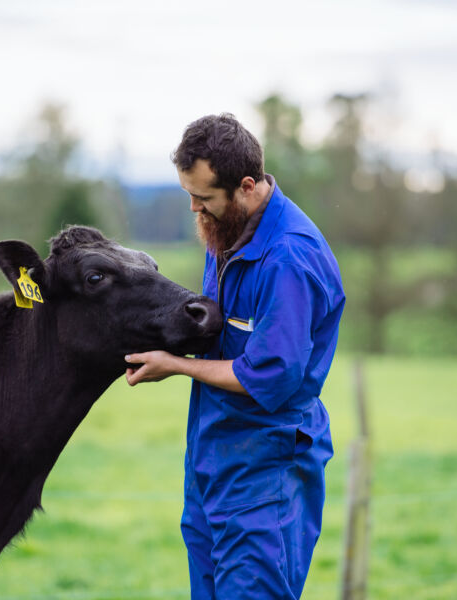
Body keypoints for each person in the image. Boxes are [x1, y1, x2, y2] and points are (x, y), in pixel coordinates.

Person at [124, 113, 345, 599]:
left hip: (266, 469)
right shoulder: (226, 231)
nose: (193, 208)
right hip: (211, 456)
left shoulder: (289, 259)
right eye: (189, 194)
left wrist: (176, 366)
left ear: (246, 187)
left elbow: (269, 375)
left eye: (203, 197)